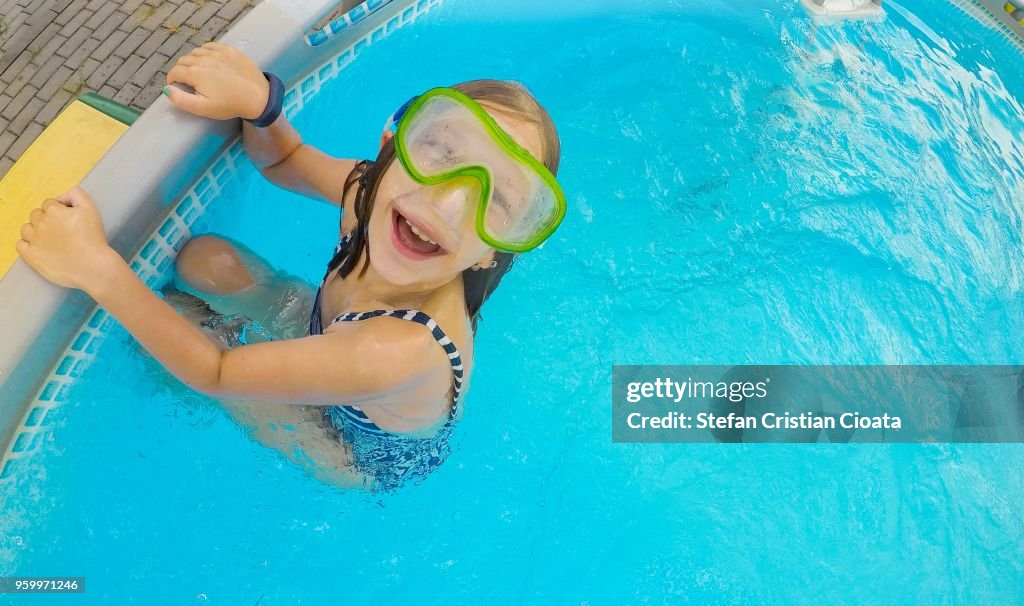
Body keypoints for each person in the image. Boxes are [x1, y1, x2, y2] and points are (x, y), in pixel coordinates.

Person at [16, 43, 565, 491]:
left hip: (351, 448)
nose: (446, 203)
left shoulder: (398, 352)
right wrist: (262, 104)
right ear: (391, 145)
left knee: (166, 331)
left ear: (495, 251)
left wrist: (97, 268)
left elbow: (218, 374)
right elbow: (283, 159)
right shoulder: (369, 194)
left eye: (495, 201)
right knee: (204, 261)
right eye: (442, 152)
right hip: (332, 339)